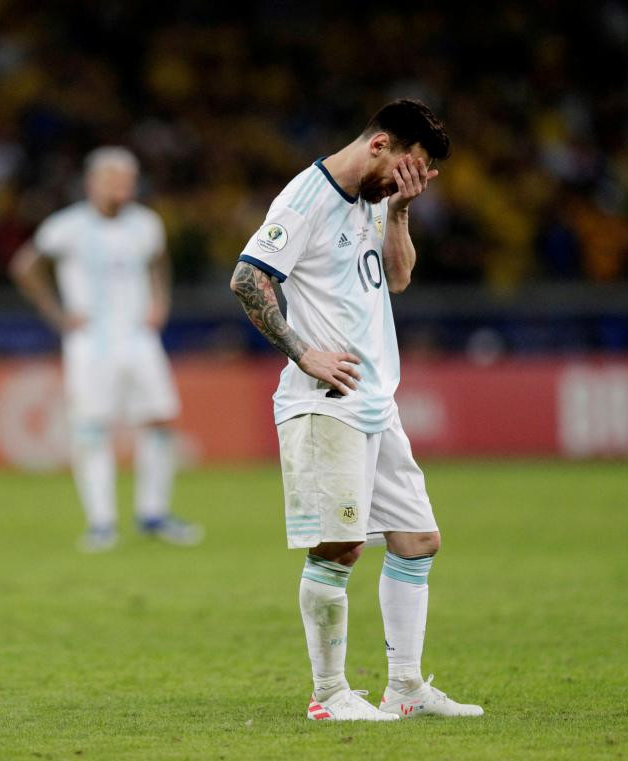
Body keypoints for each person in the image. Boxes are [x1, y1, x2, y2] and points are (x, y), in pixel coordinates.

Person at [229, 100, 482, 720]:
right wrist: (303, 352)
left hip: (376, 401)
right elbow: (247, 279)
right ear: (379, 146)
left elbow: (397, 279)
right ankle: (329, 694)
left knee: (418, 540)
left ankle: (405, 688)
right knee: (339, 548)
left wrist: (398, 211)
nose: (410, 181)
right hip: (327, 401)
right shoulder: (305, 199)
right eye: (408, 169)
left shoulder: (374, 199)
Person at [10, 147, 203, 552]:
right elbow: (24, 265)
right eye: (115, 180)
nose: (124, 188)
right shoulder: (68, 227)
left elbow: (159, 262)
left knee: (159, 421)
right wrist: (58, 314)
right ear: (93, 182)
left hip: (139, 339)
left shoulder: (146, 225)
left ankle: (153, 513)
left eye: (128, 181)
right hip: (90, 344)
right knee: (93, 430)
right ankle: (101, 523)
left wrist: (159, 301)